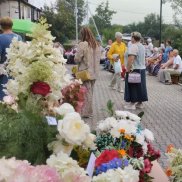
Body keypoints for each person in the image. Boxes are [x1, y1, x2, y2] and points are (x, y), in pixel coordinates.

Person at [75, 27, 101, 118]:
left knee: (85, 93)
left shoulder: (83, 44)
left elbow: (77, 58)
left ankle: (86, 112)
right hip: (94, 72)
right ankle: (88, 112)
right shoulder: (96, 44)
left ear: (82, 34)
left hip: (85, 72)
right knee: (90, 92)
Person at [124, 32, 148, 110]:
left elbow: (131, 59)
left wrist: (127, 69)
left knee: (133, 86)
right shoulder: (142, 46)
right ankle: (140, 103)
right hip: (142, 69)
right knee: (140, 87)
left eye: (131, 37)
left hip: (134, 69)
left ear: (133, 38)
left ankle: (132, 104)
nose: (131, 39)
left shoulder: (134, 46)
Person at [0, 17, 22, 100]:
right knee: (15, 99)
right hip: (17, 72)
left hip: (4, 74)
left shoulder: (0, 38)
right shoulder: (19, 37)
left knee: (4, 100)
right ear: (12, 26)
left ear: (1, 26)